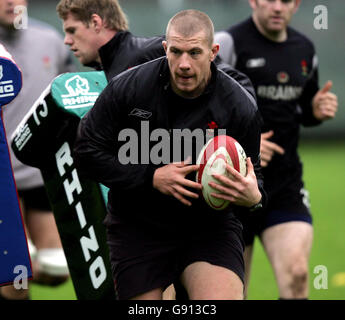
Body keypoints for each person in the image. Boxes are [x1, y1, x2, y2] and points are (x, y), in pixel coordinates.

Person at [73, 9, 265, 300]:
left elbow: (256, 178)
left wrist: (254, 198)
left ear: (213, 52)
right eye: (176, 52)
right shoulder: (129, 89)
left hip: (208, 227)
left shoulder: (238, 106)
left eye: (194, 53)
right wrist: (152, 177)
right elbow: (86, 152)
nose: (184, 64)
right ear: (165, 49)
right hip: (138, 227)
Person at [215, 0, 338, 299]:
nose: (277, 7)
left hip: (284, 185)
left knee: (297, 276)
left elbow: (303, 108)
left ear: (296, 5)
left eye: (286, 0)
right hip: (233, 184)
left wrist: (316, 110)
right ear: (254, 1)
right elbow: (204, 109)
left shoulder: (305, 48)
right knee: (233, 292)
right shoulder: (227, 43)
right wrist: (248, 146)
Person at [0, 0, 75, 300]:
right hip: (4, 180)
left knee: (57, 271)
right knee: (16, 282)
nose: (11, 3)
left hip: (41, 175)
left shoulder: (51, 41)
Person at [56, 0, 255, 96]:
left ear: (95, 22)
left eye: (72, 30)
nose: (66, 40)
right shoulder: (101, 77)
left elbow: (238, 82)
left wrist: (245, 135)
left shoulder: (150, 52)